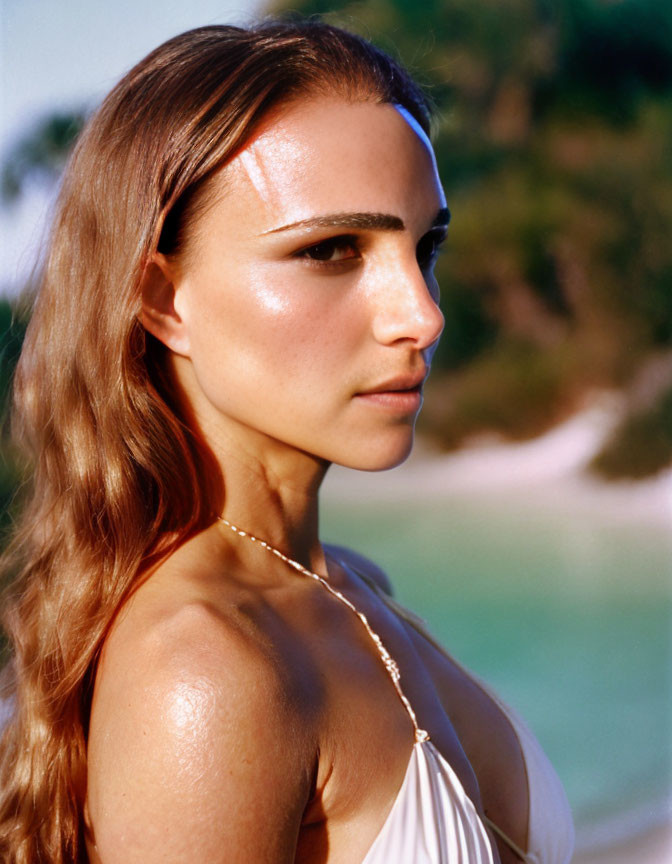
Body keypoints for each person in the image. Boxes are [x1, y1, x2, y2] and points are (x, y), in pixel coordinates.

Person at [0, 19, 575, 864]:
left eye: (426, 248)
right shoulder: (205, 671)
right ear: (163, 299)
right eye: (332, 250)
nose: (422, 314)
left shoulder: (346, 583)